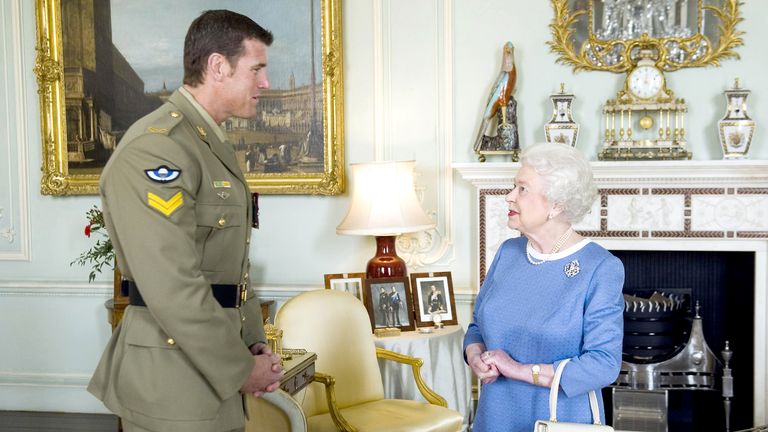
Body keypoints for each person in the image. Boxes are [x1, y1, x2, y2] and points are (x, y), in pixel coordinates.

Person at [87, 10, 284, 432]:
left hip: (210, 378)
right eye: (257, 69)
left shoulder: (207, 142)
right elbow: (172, 285)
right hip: (173, 386)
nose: (265, 83)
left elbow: (232, 271)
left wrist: (253, 343)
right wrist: (240, 368)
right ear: (218, 66)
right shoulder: (157, 151)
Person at [463, 143, 624, 431]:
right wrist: (475, 355)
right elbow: (478, 326)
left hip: (559, 418)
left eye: (522, 189)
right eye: (513, 186)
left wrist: (519, 370)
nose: (509, 197)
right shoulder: (508, 253)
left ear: (556, 205)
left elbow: (603, 364)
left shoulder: (599, 267)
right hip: (495, 415)